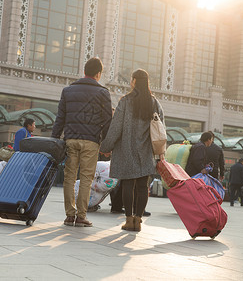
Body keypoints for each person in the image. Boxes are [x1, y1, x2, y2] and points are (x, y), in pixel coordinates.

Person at [100, 69, 165, 232]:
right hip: (146, 151)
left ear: (134, 81)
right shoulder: (154, 102)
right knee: (143, 186)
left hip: (126, 149)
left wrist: (106, 147)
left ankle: (129, 220)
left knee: (128, 184)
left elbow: (116, 127)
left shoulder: (125, 101)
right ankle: (138, 220)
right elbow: (161, 127)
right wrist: (160, 152)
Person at [52, 57, 112, 227]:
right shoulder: (103, 93)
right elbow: (108, 121)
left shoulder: (68, 91)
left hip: (70, 140)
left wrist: (54, 139)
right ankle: (81, 216)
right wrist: (106, 146)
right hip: (91, 142)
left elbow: (60, 118)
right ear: (98, 74)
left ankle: (69, 215)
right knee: (86, 179)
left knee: (69, 178)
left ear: (84, 72)